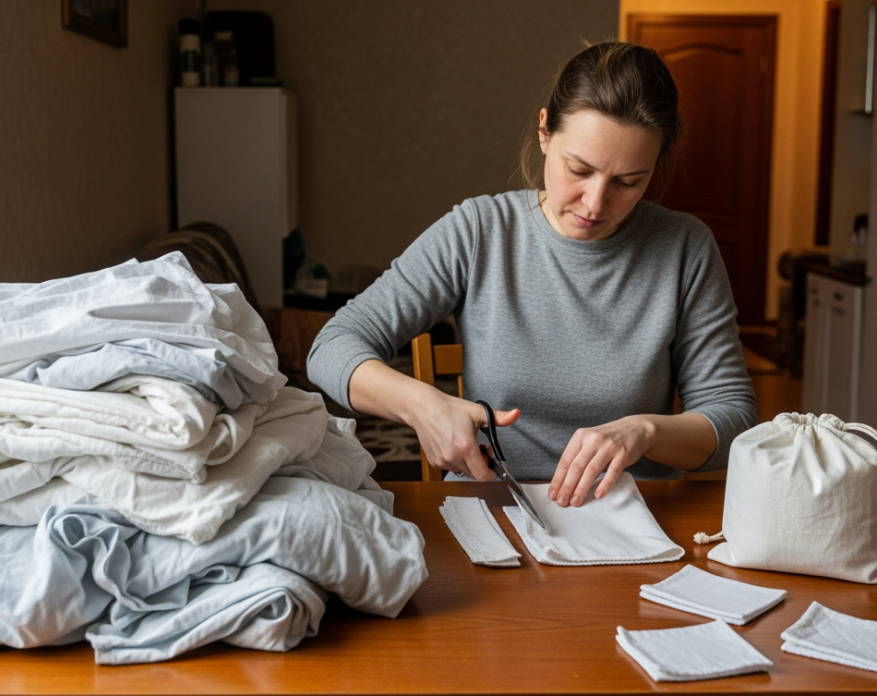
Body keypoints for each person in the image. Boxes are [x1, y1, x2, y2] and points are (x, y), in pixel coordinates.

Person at [307, 41, 756, 508]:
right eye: (578, 169)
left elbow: (733, 419)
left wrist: (645, 431)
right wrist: (423, 406)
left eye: (628, 182)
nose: (596, 203)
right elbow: (332, 346)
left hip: (632, 518)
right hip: (494, 509)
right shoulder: (480, 230)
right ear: (545, 133)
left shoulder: (686, 248)